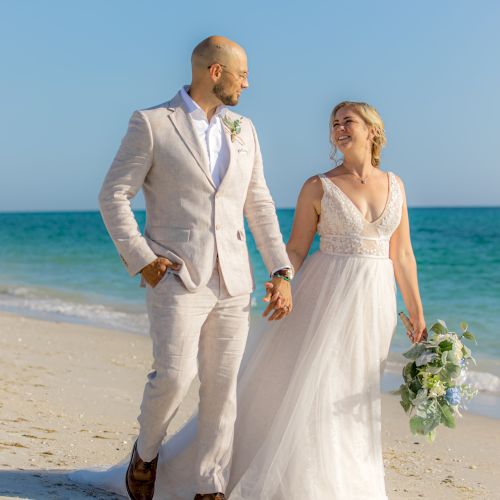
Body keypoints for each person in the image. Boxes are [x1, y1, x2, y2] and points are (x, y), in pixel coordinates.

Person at [71, 99, 425, 498]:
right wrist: (282, 278)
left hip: (374, 303)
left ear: (372, 130)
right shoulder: (318, 185)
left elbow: (404, 254)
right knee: (314, 384)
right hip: (324, 296)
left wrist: (416, 310)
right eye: (334, 123)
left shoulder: (396, 185)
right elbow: (295, 248)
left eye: (348, 122)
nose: (339, 128)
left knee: (354, 390)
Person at [78, 36, 293, 500]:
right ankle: (146, 453)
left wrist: (281, 269)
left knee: (221, 390)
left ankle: (210, 488)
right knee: (173, 377)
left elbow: (258, 203)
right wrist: (142, 258)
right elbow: (113, 194)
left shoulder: (245, 129)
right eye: (242, 74)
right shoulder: (153, 123)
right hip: (176, 275)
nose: (248, 82)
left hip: (235, 280)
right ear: (215, 72)